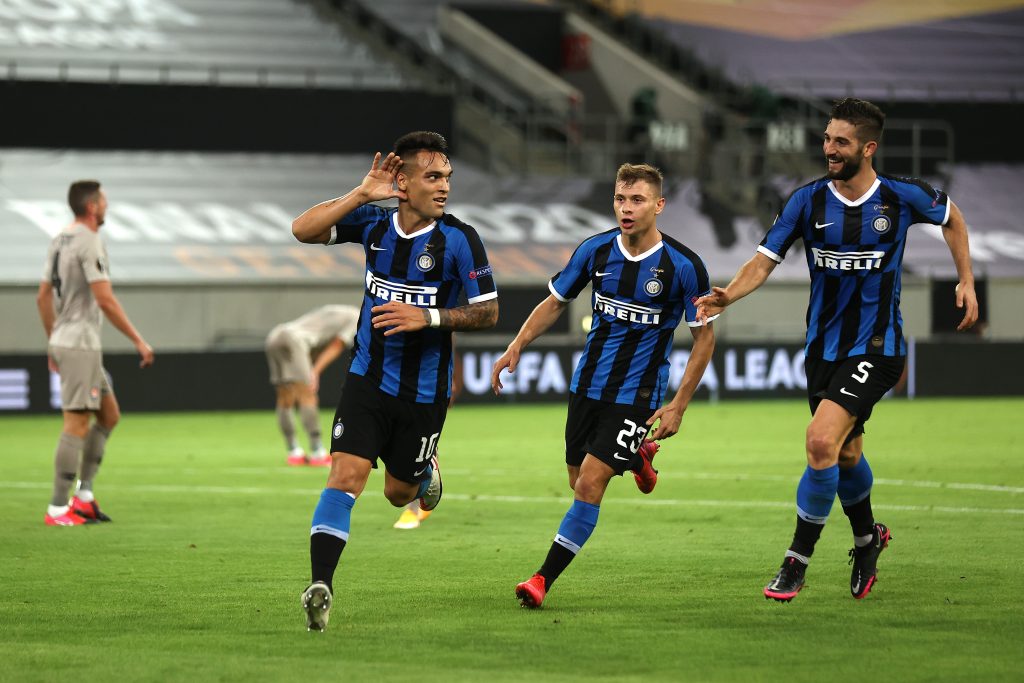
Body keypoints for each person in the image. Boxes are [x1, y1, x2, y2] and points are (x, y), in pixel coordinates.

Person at [696, 98, 978, 602]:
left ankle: (795, 563)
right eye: (826, 139)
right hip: (822, 350)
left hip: (878, 347)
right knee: (846, 454)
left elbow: (954, 219)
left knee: (820, 442)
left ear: (868, 148)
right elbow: (764, 259)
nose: (828, 149)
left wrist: (966, 280)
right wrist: (727, 295)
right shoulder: (806, 201)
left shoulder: (901, 196)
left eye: (840, 142)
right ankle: (869, 539)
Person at [291, 131, 499, 630]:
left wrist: (425, 318)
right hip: (366, 379)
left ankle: (425, 472)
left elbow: (488, 312)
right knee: (344, 477)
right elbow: (303, 230)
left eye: (447, 176)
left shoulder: (460, 239)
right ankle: (321, 585)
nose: (444, 186)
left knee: (398, 494)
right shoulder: (373, 223)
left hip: (424, 394)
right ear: (402, 182)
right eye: (433, 176)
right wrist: (361, 193)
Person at [491, 163, 717, 609]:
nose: (626, 208)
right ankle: (637, 457)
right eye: (620, 198)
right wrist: (517, 343)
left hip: (637, 395)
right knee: (577, 479)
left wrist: (678, 406)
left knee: (590, 484)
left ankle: (541, 580)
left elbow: (703, 338)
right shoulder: (595, 251)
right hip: (587, 386)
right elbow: (556, 302)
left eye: (636, 200)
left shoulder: (685, 266)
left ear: (659, 205)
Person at [35, 180, 154, 526]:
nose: (106, 205)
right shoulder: (90, 241)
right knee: (76, 422)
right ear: (92, 207)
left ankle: (83, 495)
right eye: (103, 200)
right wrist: (138, 340)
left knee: (109, 414)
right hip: (80, 343)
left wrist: (53, 338)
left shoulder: (60, 238)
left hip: (68, 340)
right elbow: (104, 298)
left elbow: (42, 297)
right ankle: (58, 508)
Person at [265, 304, 359, 466]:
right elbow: (337, 345)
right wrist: (315, 371)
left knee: (285, 397)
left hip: (275, 335)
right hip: (294, 340)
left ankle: (293, 451)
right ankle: (317, 452)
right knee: (307, 394)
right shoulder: (356, 317)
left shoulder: (338, 309)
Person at [393, 342, 463, 530]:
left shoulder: (434, 313)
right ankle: (427, 474)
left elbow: (448, 333)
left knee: (415, 438)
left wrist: (451, 374)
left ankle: (413, 508)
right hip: (387, 373)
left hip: (425, 376)